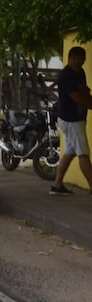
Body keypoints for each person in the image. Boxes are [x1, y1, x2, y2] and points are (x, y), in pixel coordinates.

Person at [50, 46, 92, 195]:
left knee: (70, 152)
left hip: (74, 118)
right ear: (70, 58)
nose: (79, 62)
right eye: (77, 59)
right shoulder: (66, 75)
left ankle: (56, 185)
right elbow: (77, 97)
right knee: (83, 153)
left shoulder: (80, 73)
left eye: (82, 59)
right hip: (71, 119)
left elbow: (84, 91)